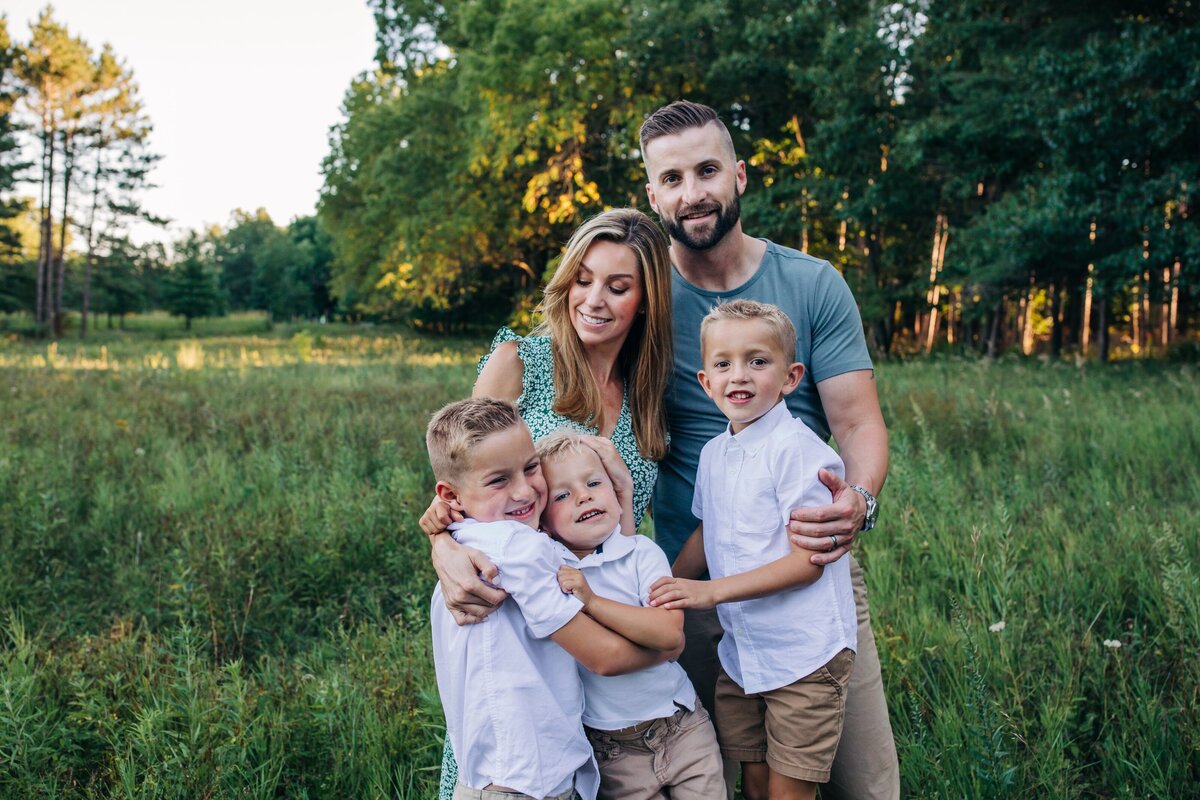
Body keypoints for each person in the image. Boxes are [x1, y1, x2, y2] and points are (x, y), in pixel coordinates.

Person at [639, 100, 898, 800]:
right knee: (692, 780)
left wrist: (859, 500)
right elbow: (558, 356)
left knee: (865, 786)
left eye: (707, 170)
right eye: (672, 178)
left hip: (807, 570)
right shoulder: (644, 296)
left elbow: (859, 422)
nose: (692, 192)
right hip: (689, 578)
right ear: (652, 194)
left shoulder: (812, 284)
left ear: (740, 176)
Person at [424, 208, 675, 799]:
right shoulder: (520, 361)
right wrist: (440, 546)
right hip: (515, 618)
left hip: (604, 622)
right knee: (508, 768)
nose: (593, 299)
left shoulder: (650, 396)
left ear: (647, 300)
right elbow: (459, 483)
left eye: (619, 287)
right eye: (583, 278)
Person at [648, 300, 857, 800]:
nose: (738, 375)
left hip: (803, 656)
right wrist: (659, 588)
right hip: (742, 655)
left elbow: (807, 563)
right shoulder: (716, 452)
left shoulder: (798, 450)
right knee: (755, 784)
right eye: (723, 363)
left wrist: (706, 594)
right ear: (705, 381)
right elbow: (707, 531)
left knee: (788, 792)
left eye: (757, 361)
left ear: (790, 377)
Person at [426, 397, 679, 800]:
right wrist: (668, 646)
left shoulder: (471, 539)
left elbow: (608, 564)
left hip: (491, 775)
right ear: (450, 496)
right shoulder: (519, 549)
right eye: (498, 480)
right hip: (525, 780)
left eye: (530, 468)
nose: (524, 490)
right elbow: (606, 657)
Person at [538, 431, 725, 800]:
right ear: (543, 524)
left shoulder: (642, 553)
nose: (584, 496)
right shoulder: (549, 570)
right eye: (562, 495)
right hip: (612, 749)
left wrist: (592, 601)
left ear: (616, 493)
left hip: (681, 726)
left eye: (594, 482)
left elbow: (669, 633)